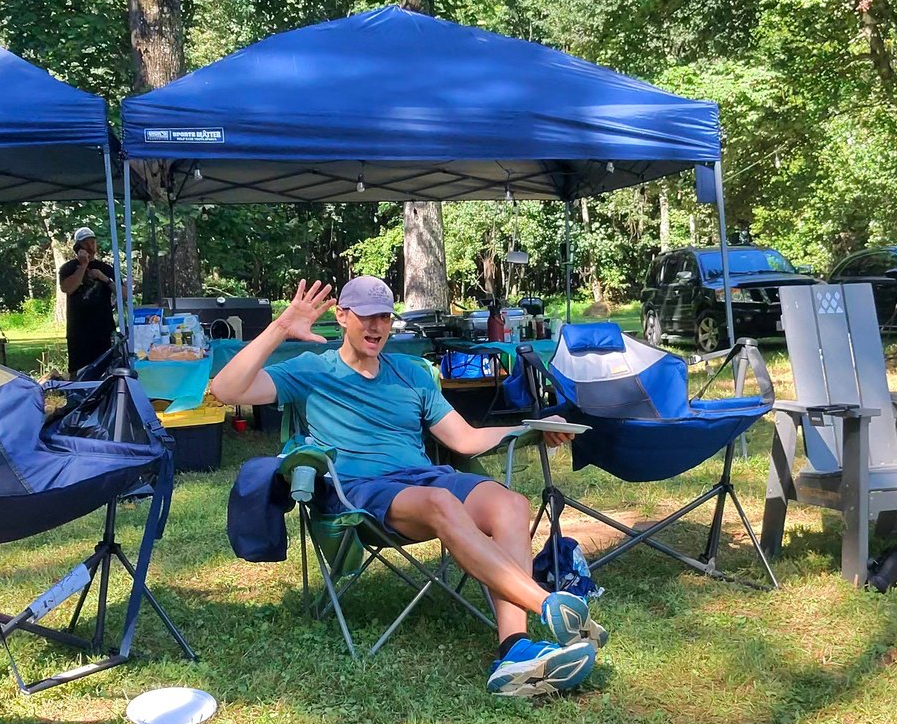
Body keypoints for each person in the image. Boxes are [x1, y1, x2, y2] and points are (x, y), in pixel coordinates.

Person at [210, 275, 606, 698]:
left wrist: (533, 427)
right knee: (440, 501)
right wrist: (281, 328)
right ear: (342, 317)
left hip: (425, 479)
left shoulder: (411, 375)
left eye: (383, 316)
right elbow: (225, 389)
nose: (376, 327)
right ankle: (546, 603)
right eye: (365, 317)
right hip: (361, 491)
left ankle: (515, 648)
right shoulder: (311, 369)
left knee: (508, 502)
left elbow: (464, 438)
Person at [58, 226, 117, 374]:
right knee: (79, 372)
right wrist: (83, 265)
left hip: (103, 330)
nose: (91, 247)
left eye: (93, 242)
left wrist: (104, 278)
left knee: (105, 370)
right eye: (86, 243)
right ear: (78, 246)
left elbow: (124, 294)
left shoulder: (105, 268)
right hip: (79, 332)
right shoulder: (69, 268)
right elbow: (67, 288)